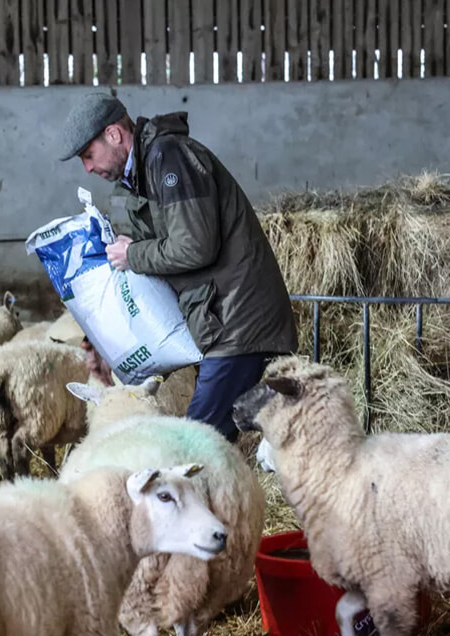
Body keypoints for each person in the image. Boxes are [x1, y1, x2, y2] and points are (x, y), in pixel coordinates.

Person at [59, 92, 297, 442]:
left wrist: (134, 254)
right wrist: (99, 341)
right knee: (211, 445)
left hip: (239, 324)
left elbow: (195, 246)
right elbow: (149, 272)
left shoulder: (169, 159)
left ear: (113, 134)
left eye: (88, 155)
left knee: (193, 445)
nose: (88, 169)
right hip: (220, 322)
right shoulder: (140, 177)